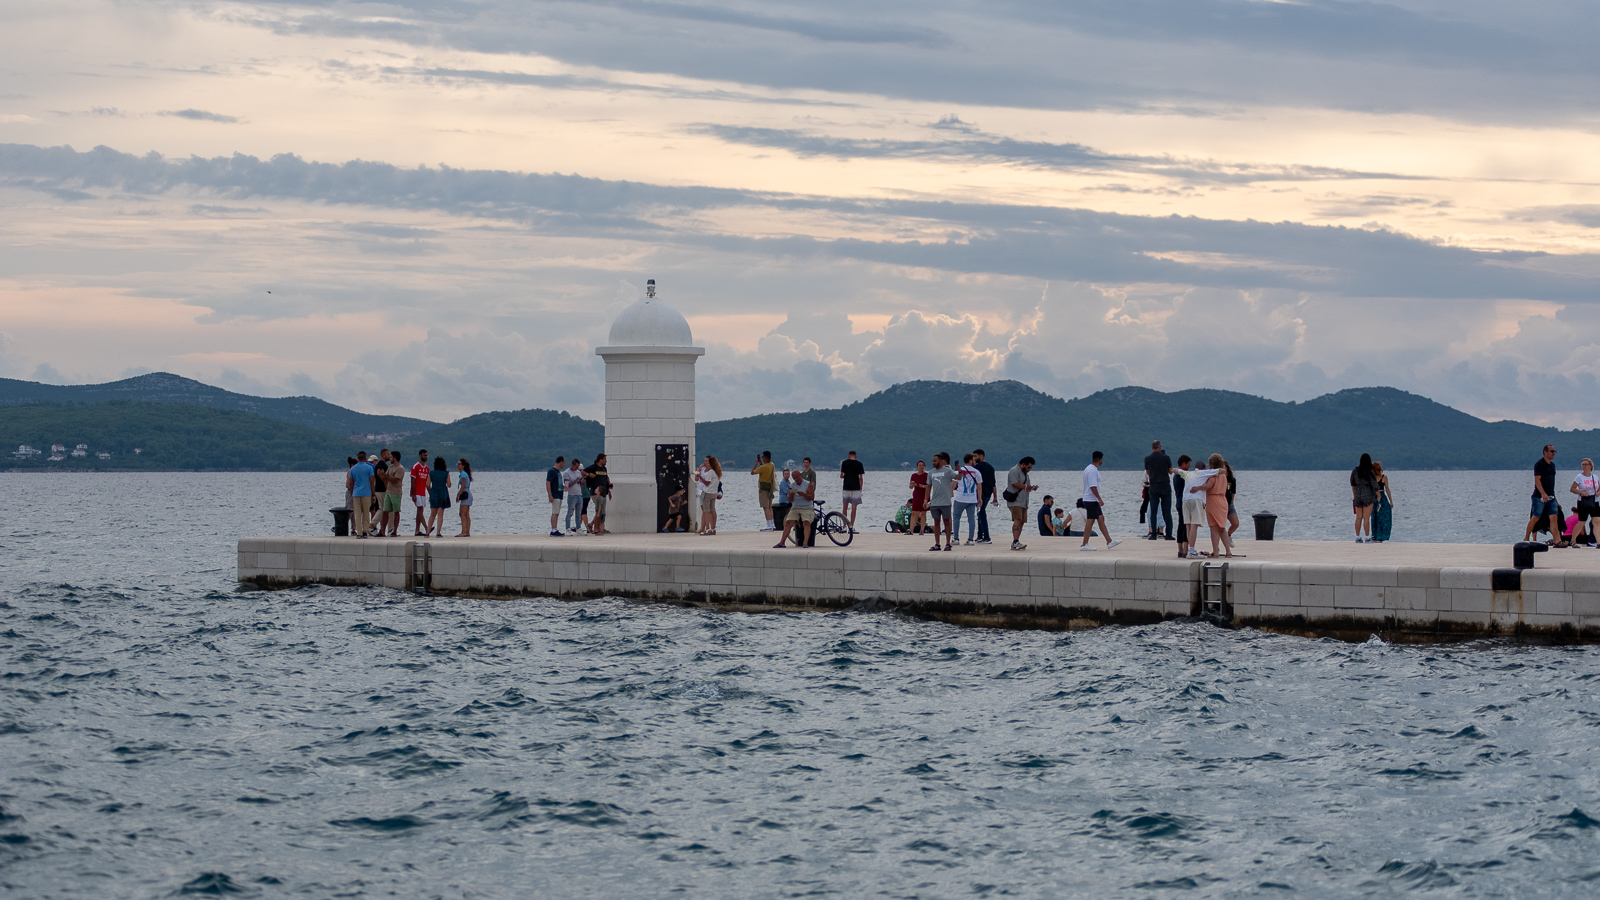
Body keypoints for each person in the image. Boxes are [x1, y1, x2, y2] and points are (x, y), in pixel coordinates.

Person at [1078, 451, 1121, 551]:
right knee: (1090, 520)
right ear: (1100, 459)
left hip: (1091, 499)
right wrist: (1099, 498)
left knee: (1101, 518)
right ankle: (1084, 544)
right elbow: (1093, 487)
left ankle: (1109, 541)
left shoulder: (1088, 468)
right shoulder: (1092, 470)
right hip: (1091, 500)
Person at [1528, 445, 1565, 546]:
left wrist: (1556, 500)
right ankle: (1526, 537)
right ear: (1545, 452)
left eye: (1554, 451)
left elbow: (1551, 484)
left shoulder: (1552, 465)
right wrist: (1543, 493)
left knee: (1554, 517)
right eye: (1551, 451)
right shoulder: (1539, 464)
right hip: (1539, 497)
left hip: (1551, 497)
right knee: (1536, 517)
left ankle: (1557, 541)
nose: (1553, 453)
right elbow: (1537, 480)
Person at [1182, 456, 1219, 559]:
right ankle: (1192, 551)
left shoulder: (1188, 474)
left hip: (1185, 500)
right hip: (1197, 499)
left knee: (1188, 525)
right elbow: (1221, 471)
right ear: (1204, 468)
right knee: (1194, 525)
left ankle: (1190, 549)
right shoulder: (1204, 473)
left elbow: (1176, 471)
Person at [1205, 453, 1239, 558]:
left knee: (1214, 528)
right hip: (1223, 500)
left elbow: (1208, 486)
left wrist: (1197, 488)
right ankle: (1228, 551)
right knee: (1222, 527)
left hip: (1213, 500)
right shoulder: (1224, 476)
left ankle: (1215, 552)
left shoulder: (1212, 476)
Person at [774, 467, 815, 548]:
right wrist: (791, 495)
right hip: (795, 507)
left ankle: (805, 542)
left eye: (797, 477)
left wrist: (803, 494)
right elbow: (789, 500)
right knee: (788, 522)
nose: (796, 479)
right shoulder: (792, 486)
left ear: (800, 475)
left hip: (806, 507)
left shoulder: (807, 484)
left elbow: (812, 497)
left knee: (806, 522)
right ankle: (782, 542)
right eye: (794, 478)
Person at [1005, 456, 1038, 550]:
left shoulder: (1026, 475)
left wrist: (1031, 488)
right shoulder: (1014, 471)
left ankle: (1016, 541)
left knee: (1021, 522)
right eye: (1028, 467)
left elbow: (1026, 486)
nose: (1029, 470)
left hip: (1024, 502)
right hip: (1015, 501)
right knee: (1017, 520)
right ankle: (1015, 541)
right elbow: (1014, 483)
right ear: (1023, 464)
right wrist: (1026, 486)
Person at [1144, 441, 1174, 541]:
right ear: (1160, 447)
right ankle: (1168, 534)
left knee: (1153, 511)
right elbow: (1170, 471)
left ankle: (1153, 534)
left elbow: (1147, 472)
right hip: (1165, 484)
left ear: (1152, 447)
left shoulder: (1147, 458)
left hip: (1154, 485)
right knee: (1167, 511)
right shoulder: (1166, 458)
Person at [925, 452, 955, 551]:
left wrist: (959, 471)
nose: (933, 462)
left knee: (947, 522)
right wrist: (926, 500)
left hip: (945, 501)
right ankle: (937, 544)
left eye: (935, 461)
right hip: (935, 502)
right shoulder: (931, 473)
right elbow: (928, 487)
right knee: (936, 522)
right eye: (932, 461)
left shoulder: (948, 471)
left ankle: (948, 543)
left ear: (941, 461)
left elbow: (957, 478)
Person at [346, 451, 376, 539]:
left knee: (357, 514)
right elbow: (372, 482)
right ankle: (365, 531)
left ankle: (358, 532)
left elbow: (351, 483)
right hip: (366, 493)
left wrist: (352, 494)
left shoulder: (353, 469)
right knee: (366, 513)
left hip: (356, 493)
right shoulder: (369, 468)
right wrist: (373, 494)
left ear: (358, 458)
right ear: (365, 458)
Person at [953, 453, 981, 545]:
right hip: (972, 499)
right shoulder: (976, 472)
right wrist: (979, 498)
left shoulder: (958, 471)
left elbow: (953, 484)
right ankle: (971, 539)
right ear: (970, 461)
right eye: (973, 460)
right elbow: (979, 486)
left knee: (956, 517)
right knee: (971, 519)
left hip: (960, 498)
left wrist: (950, 492)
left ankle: (956, 538)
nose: (974, 462)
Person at [1351, 453, 1379, 544]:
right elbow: (1375, 485)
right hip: (1368, 495)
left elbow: (1352, 484)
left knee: (1358, 517)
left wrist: (1354, 495)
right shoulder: (1369, 472)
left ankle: (1357, 537)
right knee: (1366, 518)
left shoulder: (1355, 471)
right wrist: (1378, 495)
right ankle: (1367, 537)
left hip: (1358, 495)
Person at [1571, 458, 1599, 545]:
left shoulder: (1595, 477)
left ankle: (1598, 542)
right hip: (1583, 501)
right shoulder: (1579, 477)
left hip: (1594, 501)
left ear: (1591, 466)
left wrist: (1598, 493)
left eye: (1586, 464)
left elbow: (1599, 487)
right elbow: (1572, 489)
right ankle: (1573, 540)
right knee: (1582, 522)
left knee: (1597, 521)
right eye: (1583, 464)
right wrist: (1582, 492)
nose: (1584, 466)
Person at [972, 449, 997, 544]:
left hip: (980, 493)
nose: (974, 458)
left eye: (975, 456)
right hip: (988, 493)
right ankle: (980, 535)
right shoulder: (991, 467)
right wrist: (995, 496)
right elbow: (993, 483)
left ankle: (986, 536)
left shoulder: (977, 467)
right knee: (980, 512)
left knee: (981, 513)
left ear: (981, 456)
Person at [839, 450, 865, 532]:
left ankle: (844, 526)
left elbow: (841, 475)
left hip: (846, 487)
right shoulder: (859, 464)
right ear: (856, 456)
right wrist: (861, 488)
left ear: (848, 456)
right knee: (854, 508)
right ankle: (851, 526)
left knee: (845, 507)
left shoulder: (844, 463)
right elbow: (860, 478)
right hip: (856, 488)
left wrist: (846, 476)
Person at [696, 455, 722, 535]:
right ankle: (713, 528)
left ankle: (708, 529)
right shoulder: (717, 472)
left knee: (706, 511)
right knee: (712, 509)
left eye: (707, 462)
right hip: (714, 492)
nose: (705, 463)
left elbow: (707, 483)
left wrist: (700, 477)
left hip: (707, 492)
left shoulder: (711, 472)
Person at [584, 454, 610, 535]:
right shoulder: (594, 467)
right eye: (605, 459)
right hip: (596, 493)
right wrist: (589, 475)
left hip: (603, 492)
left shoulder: (604, 469)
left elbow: (606, 479)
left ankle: (594, 526)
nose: (606, 461)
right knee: (598, 510)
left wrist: (609, 490)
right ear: (600, 459)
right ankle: (597, 529)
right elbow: (582, 471)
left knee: (601, 511)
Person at [426, 455, 451, 537]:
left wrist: (431, 492)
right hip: (443, 493)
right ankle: (438, 533)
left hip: (434, 493)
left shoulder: (431, 473)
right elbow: (449, 485)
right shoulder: (446, 473)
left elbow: (427, 484)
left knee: (432, 514)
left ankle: (427, 532)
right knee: (440, 514)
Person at [1173, 455, 1193, 559]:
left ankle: (1180, 549)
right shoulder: (1183, 475)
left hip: (1178, 502)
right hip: (1184, 502)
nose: (1189, 466)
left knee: (1180, 525)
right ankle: (1185, 549)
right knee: (1186, 525)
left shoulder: (1176, 476)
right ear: (1184, 463)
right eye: (1188, 464)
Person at [752, 451, 776, 531]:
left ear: (765, 457)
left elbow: (752, 472)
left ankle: (768, 525)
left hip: (763, 489)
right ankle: (772, 524)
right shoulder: (771, 465)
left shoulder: (763, 467)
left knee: (765, 507)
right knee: (769, 507)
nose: (762, 458)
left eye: (763, 457)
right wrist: (761, 463)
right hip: (770, 488)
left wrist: (756, 464)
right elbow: (764, 469)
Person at [382, 451, 405, 536]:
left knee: (396, 512)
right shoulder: (390, 467)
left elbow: (395, 480)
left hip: (396, 492)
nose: (390, 458)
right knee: (385, 511)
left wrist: (385, 476)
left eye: (391, 457)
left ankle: (395, 531)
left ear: (395, 458)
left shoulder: (400, 468)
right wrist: (381, 475)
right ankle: (382, 531)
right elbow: (385, 477)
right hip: (388, 492)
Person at [410, 449, 432, 536]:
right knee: (419, 509)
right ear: (420, 456)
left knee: (420, 511)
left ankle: (417, 530)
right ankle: (427, 528)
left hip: (423, 492)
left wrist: (431, 494)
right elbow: (412, 481)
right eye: (424, 455)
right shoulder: (415, 467)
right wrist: (413, 494)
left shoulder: (427, 469)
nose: (426, 457)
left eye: (426, 455)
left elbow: (427, 483)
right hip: (416, 492)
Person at [561, 458, 586, 534]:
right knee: (570, 513)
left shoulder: (578, 472)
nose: (577, 468)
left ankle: (578, 528)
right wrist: (576, 480)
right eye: (576, 466)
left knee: (578, 513)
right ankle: (568, 528)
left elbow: (581, 485)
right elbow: (566, 486)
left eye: (578, 467)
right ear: (572, 465)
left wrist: (581, 481)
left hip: (579, 494)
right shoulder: (566, 473)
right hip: (572, 495)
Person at [1372, 461, 1394, 543]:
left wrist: (1391, 501)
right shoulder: (1372, 478)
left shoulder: (1384, 477)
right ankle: (1376, 536)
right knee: (1375, 517)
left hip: (1382, 498)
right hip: (1374, 498)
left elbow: (1387, 489)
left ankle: (1384, 536)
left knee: (1385, 517)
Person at [908, 460, 929, 536]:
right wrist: (912, 485)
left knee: (923, 512)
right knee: (914, 512)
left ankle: (922, 530)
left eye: (922, 465)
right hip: (916, 495)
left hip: (924, 495)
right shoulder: (913, 475)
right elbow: (911, 486)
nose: (921, 467)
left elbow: (929, 486)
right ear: (917, 467)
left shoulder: (927, 475)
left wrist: (921, 486)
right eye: (920, 465)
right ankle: (911, 530)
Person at [546, 455, 566, 536]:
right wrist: (550, 495)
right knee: (555, 512)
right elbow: (548, 483)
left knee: (557, 512)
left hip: (559, 494)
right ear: (561, 462)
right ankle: (553, 529)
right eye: (564, 463)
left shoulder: (558, 472)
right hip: (555, 495)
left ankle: (555, 528)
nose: (564, 465)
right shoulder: (552, 471)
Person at [770, 463, 793, 533]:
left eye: (788, 474)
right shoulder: (783, 482)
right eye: (785, 474)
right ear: (783, 475)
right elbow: (787, 492)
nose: (787, 475)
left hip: (788, 501)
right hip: (784, 501)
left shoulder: (788, 482)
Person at [590, 463, 610, 536]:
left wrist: (598, 513)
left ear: (599, 492)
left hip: (601, 512)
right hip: (601, 512)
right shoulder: (599, 498)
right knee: (601, 522)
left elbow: (600, 506)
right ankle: (599, 530)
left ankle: (600, 530)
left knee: (601, 522)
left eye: (597, 489)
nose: (595, 490)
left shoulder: (600, 498)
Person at [454, 458, 473, 537]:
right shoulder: (464, 474)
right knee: (466, 514)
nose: (458, 465)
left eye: (459, 464)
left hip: (465, 493)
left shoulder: (463, 474)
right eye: (457, 464)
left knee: (462, 513)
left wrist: (458, 494)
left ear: (463, 466)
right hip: (467, 493)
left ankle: (464, 531)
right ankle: (467, 531)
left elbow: (463, 485)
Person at [1224, 462, 1240, 538]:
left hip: (1229, 503)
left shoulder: (1232, 479)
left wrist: (1231, 502)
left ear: (1226, 467)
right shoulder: (1218, 479)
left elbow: (1233, 493)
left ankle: (1228, 535)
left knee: (1235, 523)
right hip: (1220, 504)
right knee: (1220, 525)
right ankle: (1222, 539)